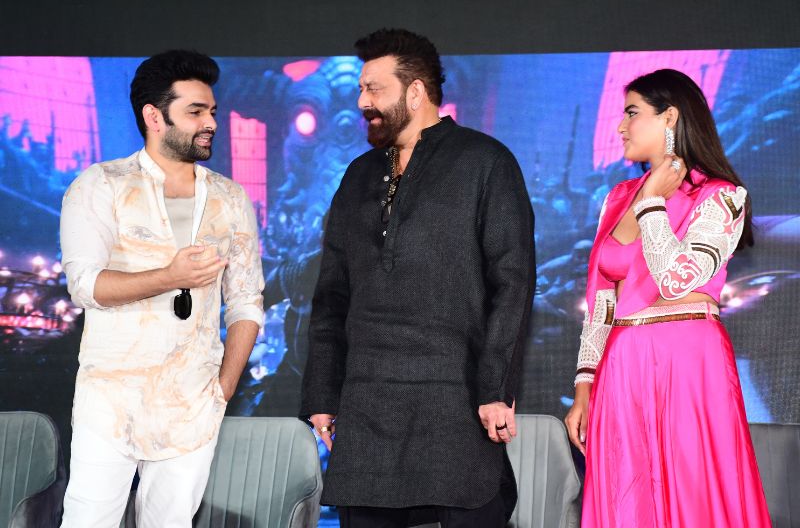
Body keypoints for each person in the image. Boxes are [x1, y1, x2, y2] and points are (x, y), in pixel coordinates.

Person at [300, 28, 536, 528]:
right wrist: (322, 393)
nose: (362, 102)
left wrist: (496, 389)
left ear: (415, 91)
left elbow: (512, 283)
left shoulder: (485, 162)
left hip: (455, 400)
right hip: (367, 404)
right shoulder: (358, 175)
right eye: (361, 89)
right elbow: (332, 296)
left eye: (374, 89)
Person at [59, 50, 265, 527]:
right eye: (195, 112)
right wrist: (171, 277)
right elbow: (85, 285)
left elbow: (246, 301)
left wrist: (224, 387)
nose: (211, 123)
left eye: (212, 111)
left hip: (193, 401)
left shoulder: (230, 197)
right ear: (154, 117)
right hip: (110, 399)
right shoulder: (101, 184)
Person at [565, 69, 771, 526]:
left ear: (670, 117)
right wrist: (583, 390)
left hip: (688, 361)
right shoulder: (616, 198)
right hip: (622, 365)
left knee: (694, 495)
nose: (621, 127)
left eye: (632, 113)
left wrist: (653, 202)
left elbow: (675, 279)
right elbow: (601, 302)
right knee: (627, 499)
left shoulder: (722, 195)